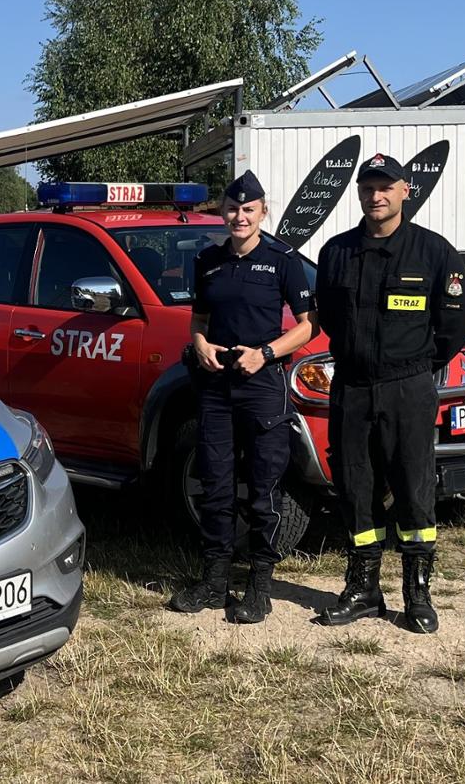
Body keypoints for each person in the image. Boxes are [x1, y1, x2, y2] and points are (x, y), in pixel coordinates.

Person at [312, 154, 465, 634]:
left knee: (413, 488)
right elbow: (331, 317)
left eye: (385, 187)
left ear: (406, 190)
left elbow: (456, 322)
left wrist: (419, 365)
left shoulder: (433, 252)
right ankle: (363, 590)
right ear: (358, 193)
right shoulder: (337, 252)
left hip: (408, 386)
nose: (375, 196)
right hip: (353, 387)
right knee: (355, 489)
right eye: (367, 188)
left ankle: (417, 593)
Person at [167, 170, 318, 624]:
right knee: (214, 483)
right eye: (232, 209)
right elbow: (199, 319)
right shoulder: (208, 260)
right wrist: (199, 343)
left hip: (262, 383)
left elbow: (308, 326)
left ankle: (259, 585)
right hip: (216, 384)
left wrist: (266, 354)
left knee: (262, 487)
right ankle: (214, 581)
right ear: (222, 212)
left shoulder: (282, 260)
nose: (239, 216)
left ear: (262, 212)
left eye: (248, 210)